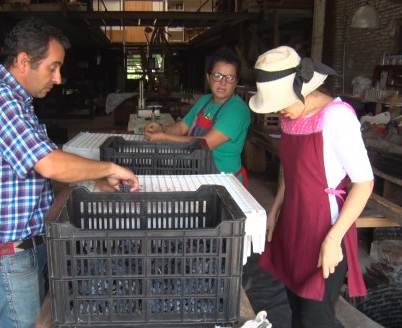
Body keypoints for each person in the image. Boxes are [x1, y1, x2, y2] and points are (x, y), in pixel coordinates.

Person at [0, 18, 138, 328]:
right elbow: (49, 163)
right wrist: (109, 167)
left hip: (30, 244)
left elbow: (43, 161)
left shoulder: (18, 101)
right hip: (10, 254)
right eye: (52, 67)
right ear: (23, 61)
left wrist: (95, 178)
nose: (58, 78)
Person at [248, 46, 374, 327]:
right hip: (293, 224)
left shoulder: (337, 117)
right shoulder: (289, 117)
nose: (280, 110)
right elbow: (288, 168)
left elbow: (364, 183)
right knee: (295, 307)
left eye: (282, 102)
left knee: (315, 316)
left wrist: (333, 239)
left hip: (325, 229)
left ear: (303, 89)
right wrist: (275, 208)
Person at [144, 46, 250, 185]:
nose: (223, 83)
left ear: (236, 82)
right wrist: (162, 129)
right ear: (208, 77)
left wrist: (164, 138)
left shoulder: (237, 109)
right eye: (217, 76)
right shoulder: (204, 101)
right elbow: (182, 127)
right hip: (199, 172)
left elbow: (206, 143)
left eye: (230, 78)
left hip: (225, 181)